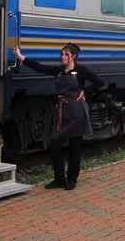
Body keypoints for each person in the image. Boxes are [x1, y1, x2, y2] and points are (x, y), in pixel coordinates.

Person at [13, 42, 105, 190]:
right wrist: (20, 57)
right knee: (55, 145)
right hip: (62, 112)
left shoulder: (81, 71)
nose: (63, 57)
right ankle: (59, 179)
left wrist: (85, 92)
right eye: (62, 54)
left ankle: (72, 179)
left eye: (66, 55)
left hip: (77, 112)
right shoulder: (59, 71)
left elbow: (99, 82)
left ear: (73, 56)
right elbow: (40, 67)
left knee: (75, 147)